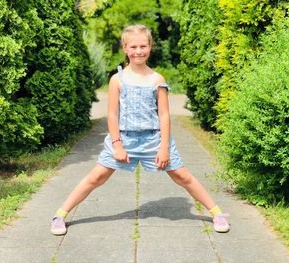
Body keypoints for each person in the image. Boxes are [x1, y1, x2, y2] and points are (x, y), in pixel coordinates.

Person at [50, 24, 230, 235]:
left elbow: (164, 115)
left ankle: (217, 213)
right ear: (125, 48)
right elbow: (112, 115)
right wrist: (117, 145)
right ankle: (60, 215)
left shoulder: (157, 79)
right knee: (96, 177)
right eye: (133, 46)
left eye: (143, 46)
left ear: (150, 47)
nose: (138, 51)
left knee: (182, 176)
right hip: (123, 140)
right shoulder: (117, 80)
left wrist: (164, 148)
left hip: (154, 140)